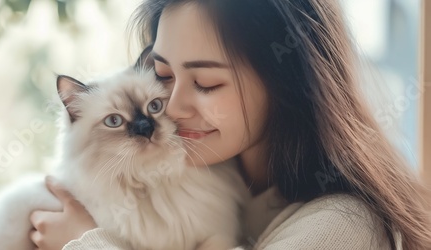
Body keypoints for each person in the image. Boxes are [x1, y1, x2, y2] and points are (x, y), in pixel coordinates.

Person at [28, 0, 431, 249]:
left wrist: (81, 241)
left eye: (205, 83)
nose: (173, 105)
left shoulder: (343, 228)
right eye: (164, 77)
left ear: (285, 81)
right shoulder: (209, 188)